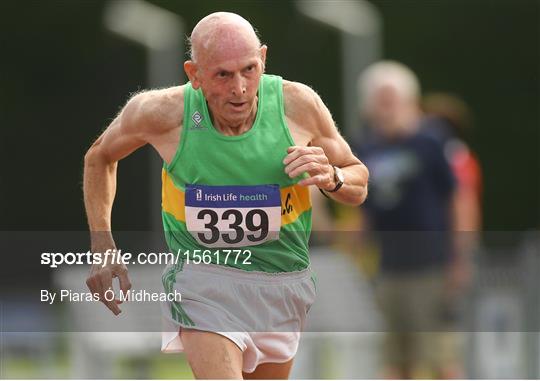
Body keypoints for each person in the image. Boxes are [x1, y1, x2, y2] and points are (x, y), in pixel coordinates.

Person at [83, 12, 368, 379]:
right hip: (204, 280)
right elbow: (100, 157)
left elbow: (357, 179)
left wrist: (332, 177)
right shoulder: (163, 113)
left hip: (282, 281)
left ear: (263, 59)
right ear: (194, 74)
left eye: (249, 69)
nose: (240, 88)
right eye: (223, 75)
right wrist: (103, 244)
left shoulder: (297, 105)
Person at [354, 61, 460, 378]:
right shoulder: (367, 147)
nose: (385, 108)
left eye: (391, 100)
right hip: (388, 267)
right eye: (379, 100)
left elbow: (457, 198)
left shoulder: (431, 141)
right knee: (395, 360)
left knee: (440, 356)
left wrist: (459, 255)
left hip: (430, 265)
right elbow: (365, 208)